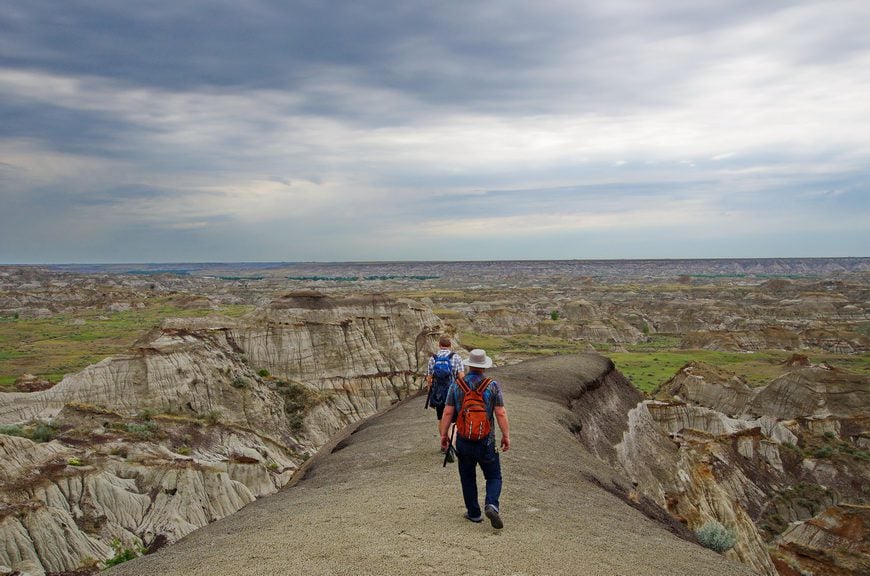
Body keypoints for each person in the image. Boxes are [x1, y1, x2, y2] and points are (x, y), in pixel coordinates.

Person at [439, 348, 510, 529]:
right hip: (487, 441)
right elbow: (500, 413)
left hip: (464, 440)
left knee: (467, 476)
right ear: (484, 366)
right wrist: (506, 436)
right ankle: (492, 504)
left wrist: (443, 435)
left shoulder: (457, 385)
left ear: (469, 365)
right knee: (494, 476)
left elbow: (448, 412)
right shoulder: (492, 385)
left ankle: (474, 513)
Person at [427, 335, 464, 462]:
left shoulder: (433, 358)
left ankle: (444, 444)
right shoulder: (456, 357)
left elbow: (429, 378)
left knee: (441, 418)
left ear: (439, 345)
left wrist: (431, 391)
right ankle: (452, 444)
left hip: (439, 394)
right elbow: (461, 376)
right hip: (453, 393)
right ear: (450, 345)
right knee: (453, 421)